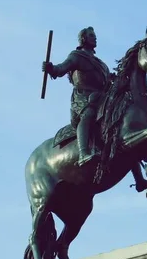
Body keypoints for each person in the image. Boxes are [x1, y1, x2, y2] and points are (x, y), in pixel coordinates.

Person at [42, 26, 110, 166]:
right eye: (91, 35)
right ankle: (83, 153)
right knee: (89, 113)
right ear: (83, 39)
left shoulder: (101, 64)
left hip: (101, 97)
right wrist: (51, 68)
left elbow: (108, 81)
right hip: (83, 97)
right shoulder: (76, 56)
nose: (95, 38)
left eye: (95, 35)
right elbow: (61, 69)